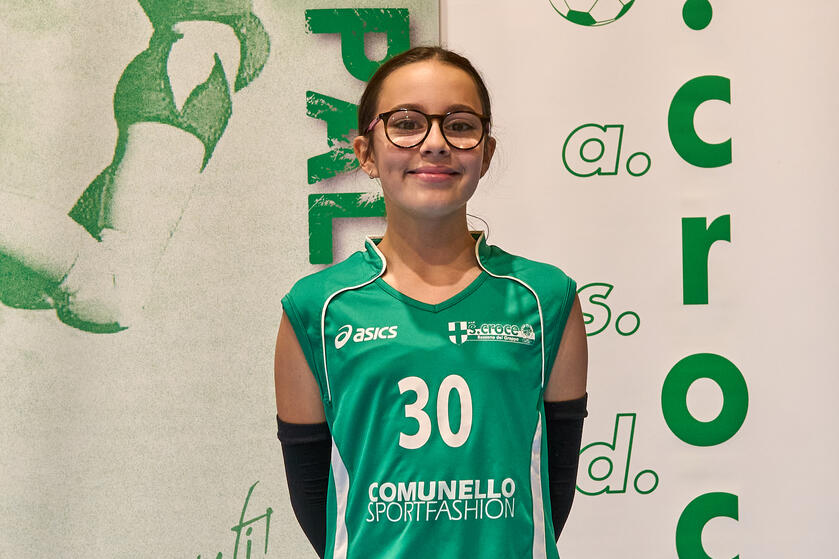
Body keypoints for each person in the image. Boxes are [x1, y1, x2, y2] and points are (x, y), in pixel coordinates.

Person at [274, 46, 588, 559]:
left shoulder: (547, 298)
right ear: (365, 153)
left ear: (485, 153)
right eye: (406, 123)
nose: (436, 143)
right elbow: (317, 504)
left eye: (460, 126)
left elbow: (552, 496)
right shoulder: (315, 309)